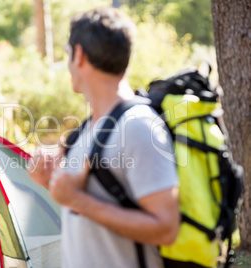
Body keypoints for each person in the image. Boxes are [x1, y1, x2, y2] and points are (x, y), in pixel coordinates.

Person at [27, 7, 180, 268]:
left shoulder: (138, 126)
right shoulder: (90, 127)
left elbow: (166, 228)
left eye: (67, 54)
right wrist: (50, 183)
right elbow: (93, 204)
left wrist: (77, 199)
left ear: (79, 55)